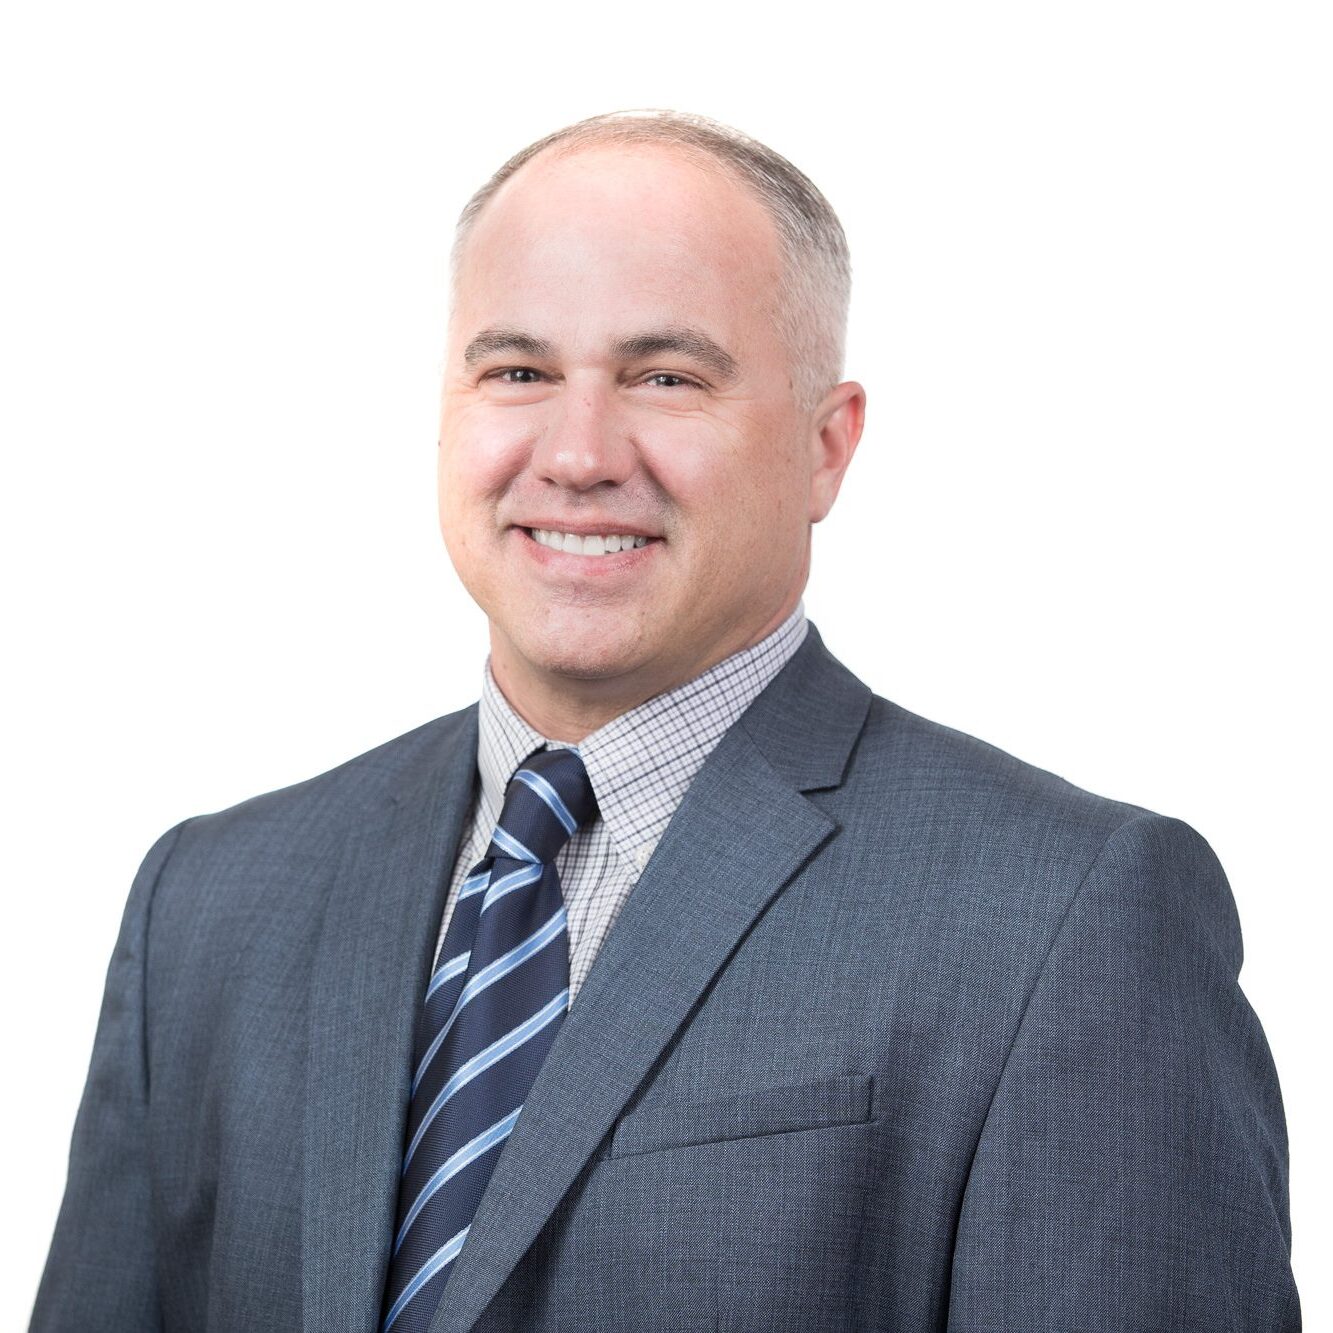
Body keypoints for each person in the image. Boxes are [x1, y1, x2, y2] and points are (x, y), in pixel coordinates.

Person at [32, 110, 1300, 1333]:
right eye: (518, 369)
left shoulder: (1069, 917)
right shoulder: (208, 903)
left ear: (826, 445)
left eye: (667, 375)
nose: (578, 452)